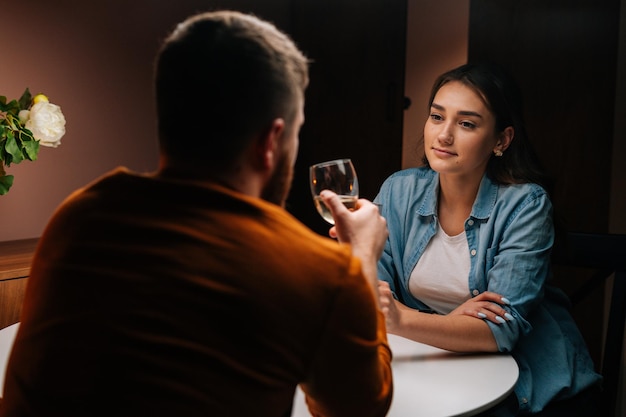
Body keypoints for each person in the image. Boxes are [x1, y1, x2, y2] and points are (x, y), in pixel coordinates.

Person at [0, 10, 393, 417]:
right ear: (271, 141)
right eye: (295, 133)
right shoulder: (319, 272)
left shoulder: (79, 219)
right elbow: (356, 410)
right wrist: (361, 256)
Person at [374, 62, 602, 416]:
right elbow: (369, 298)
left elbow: (500, 332)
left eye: (466, 123)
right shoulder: (399, 190)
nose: (444, 135)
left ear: (502, 140)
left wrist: (403, 319)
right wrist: (454, 324)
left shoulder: (526, 204)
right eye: (437, 117)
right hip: (442, 371)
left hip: (530, 392)